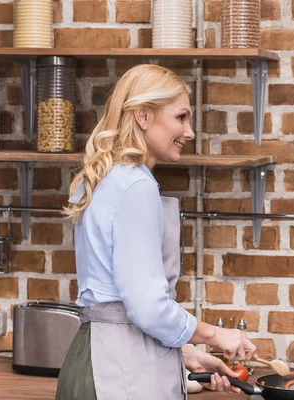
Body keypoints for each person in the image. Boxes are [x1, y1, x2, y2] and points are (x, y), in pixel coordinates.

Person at [56, 64, 256, 400]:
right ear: (143, 116)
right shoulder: (136, 185)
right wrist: (217, 336)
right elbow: (146, 307)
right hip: (119, 374)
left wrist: (187, 354)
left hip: (94, 358)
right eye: (180, 117)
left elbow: (115, 304)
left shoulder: (103, 178)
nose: (189, 132)